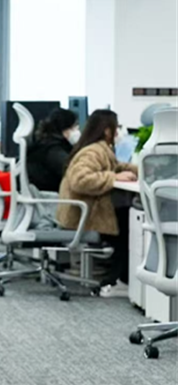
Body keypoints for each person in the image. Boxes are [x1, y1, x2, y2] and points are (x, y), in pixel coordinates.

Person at [56, 109, 137, 297]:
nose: (118, 132)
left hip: (86, 212)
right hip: (83, 218)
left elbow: (117, 166)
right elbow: (80, 180)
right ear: (107, 130)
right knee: (130, 226)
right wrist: (113, 177)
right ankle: (116, 281)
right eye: (116, 127)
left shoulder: (100, 149)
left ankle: (119, 278)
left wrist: (145, 168)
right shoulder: (93, 152)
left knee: (127, 218)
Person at [27, 108, 79, 192]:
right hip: (52, 194)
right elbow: (72, 172)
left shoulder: (45, 143)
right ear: (64, 128)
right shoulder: (53, 150)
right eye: (74, 127)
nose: (77, 131)